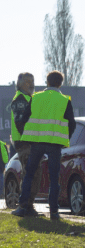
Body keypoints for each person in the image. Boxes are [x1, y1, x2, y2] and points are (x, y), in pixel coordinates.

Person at [15, 70, 76, 220]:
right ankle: (54, 212)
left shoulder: (35, 98)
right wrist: (64, 139)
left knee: (29, 174)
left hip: (36, 143)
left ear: (47, 82)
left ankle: (23, 206)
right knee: (54, 178)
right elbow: (72, 124)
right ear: (60, 83)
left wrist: (28, 137)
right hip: (55, 144)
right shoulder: (65, 100)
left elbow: (24, 119)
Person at [9, 73, 43, 215]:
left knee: (34, 173)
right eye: (28, 81)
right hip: (25, 143)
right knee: (30, 173)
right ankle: (24, 206)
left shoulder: (29, 98)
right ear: (20, 83)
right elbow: (20, 123)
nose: (31, 84)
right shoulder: (21, 99)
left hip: (30, 142)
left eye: (33, 81)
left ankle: (28, 206)